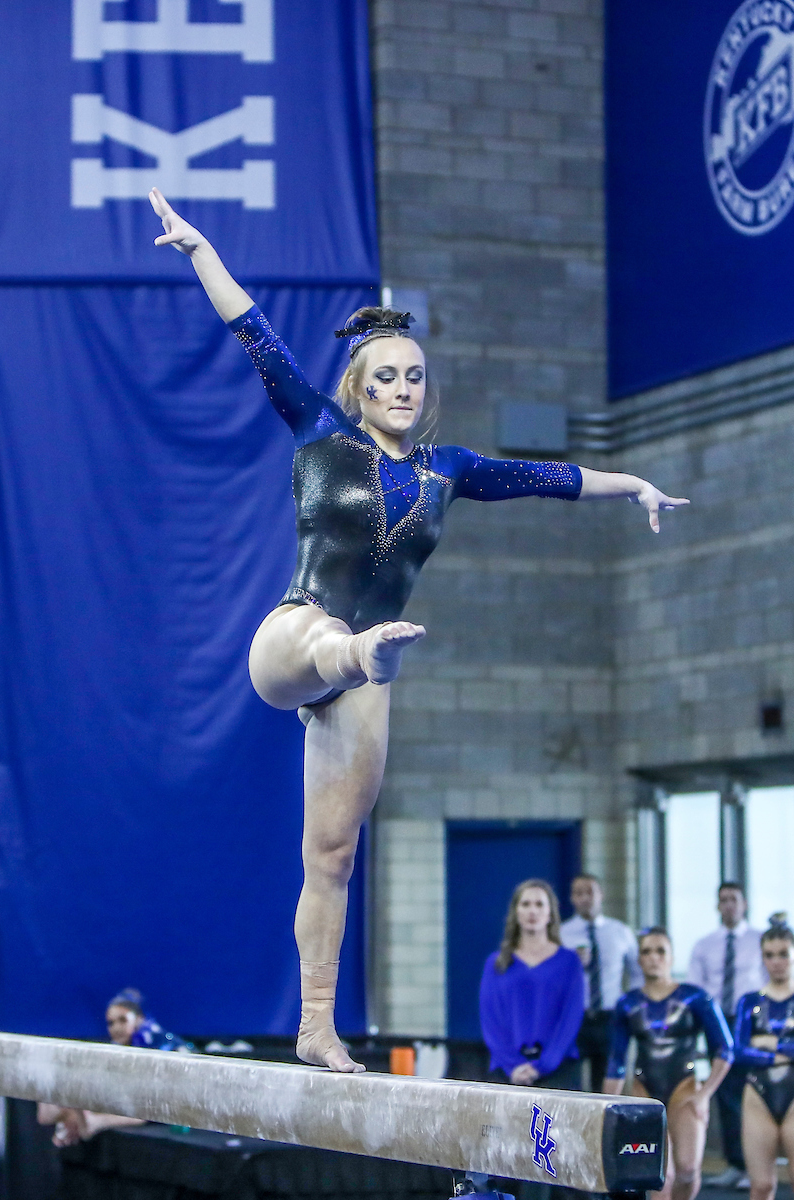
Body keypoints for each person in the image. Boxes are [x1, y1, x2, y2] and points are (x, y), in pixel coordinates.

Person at [147, 186, 689, 1073]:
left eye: (414, 377)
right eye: (384, 378)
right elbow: (254, 334)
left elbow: (545, 478)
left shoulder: (450, 470)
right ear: (356, 389)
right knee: (330, 641)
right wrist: (201, 249)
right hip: (296, 640)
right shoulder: (317, 427)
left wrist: (631, 484)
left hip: (365, 684)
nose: (402, 389)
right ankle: (360, 653)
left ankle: (315, 1023)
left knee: (332, 855)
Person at [604, 928, 733, 1200]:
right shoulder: (628, 1003)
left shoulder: (695, 997)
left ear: (672, 956)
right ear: (638, 959)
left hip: (685, 1089)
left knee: (687, 1170)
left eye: (660, 951)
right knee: (662, 1176)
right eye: (646, 952)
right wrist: (606, 1107)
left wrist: (705, 1094)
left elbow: (725, 1049)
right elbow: (616, 1061)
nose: (653, 958)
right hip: (644, 1089)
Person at [38, 989, 191, 1147]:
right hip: (150, 1095)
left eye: (123, 1020)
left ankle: (95, 1121)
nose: (116, 1027)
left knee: (139, 1103)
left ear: (139, 1019)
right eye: (111, 1023)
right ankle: (77, 1119)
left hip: (180, 1094)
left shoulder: (156, 1042)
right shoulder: (120, 1047)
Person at [688, 882, 763, 1188]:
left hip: (753, 1022)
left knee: (754, 1091)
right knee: (725, 1091)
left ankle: (756, 1163)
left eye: (734, 899)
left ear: (744, 904)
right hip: (718, 1021)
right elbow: (696, 988)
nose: (729, 905)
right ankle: (736, 1163)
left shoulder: (760, 941)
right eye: (723, 900)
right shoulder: (704, 945)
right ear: (717, 906)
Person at [480, 879, 585, 1089]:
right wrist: (513, 1066)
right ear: (516, 912)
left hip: (559, 1070)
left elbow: (570, 1018)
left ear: (550, 913)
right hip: (508, 1072)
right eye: (526, 904)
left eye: (539, 905)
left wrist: (543, 1065)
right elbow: (490, 1020)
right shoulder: (497, 963)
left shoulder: (569, 961)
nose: (532, 911)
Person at [560, 872, 642, 1091]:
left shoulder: (620, 931)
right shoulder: (562, 934)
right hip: (575, 1015)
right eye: (579, 893)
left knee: (607, 1083)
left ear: (601, 895)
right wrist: (570, 965)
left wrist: (631, 1005)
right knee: (570, 1083)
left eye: (590, 892)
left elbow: (637, 972)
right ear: (571, 898)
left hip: (610, 1015)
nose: (585, 898)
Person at [733, 919, 794, 1200]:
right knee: (761, 1186)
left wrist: (772, 1044)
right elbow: (738, 1052)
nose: (776, 962)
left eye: (783, 954)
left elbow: (752, 1048)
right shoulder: (748, 1001)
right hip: (758, 1093)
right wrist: (783, 1055)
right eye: (769, 955)